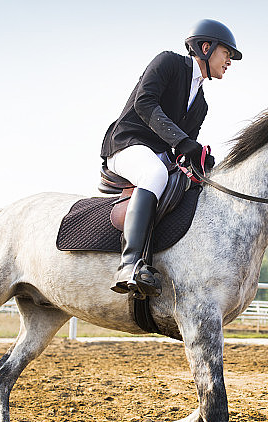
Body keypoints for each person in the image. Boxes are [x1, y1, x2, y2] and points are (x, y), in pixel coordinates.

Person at [100, 19, 242, 296]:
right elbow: (144, 103)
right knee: (154, 174)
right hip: (127, 144)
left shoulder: (201, 103)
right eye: (227, 53)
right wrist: (182, 142)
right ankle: (129, 265)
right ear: (206, 47)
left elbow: (183, 149)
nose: (229, 61)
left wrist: (199, 157)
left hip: (161, 155)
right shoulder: (168, 62)